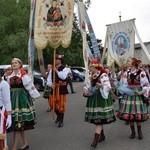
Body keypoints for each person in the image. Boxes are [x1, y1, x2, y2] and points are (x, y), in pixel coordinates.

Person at [7, 58, 40, 150]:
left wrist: (32, 99)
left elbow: (30, 89)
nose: (14, 64)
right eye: (12, 63)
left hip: (21, 101)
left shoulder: (24, 76)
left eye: (16, 63)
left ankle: (14, 147)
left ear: (20, 64)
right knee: (18, 124)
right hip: (12, 100)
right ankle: (25, 143)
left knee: (18, 124)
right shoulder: (9, 77)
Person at [83, 59, 116, 148]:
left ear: (95, 66)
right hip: (93, 98)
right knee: (98, 119)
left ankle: (95, 141)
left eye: (90, 66)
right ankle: (102, 135)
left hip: (101, 98)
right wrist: (86, 90)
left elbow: (108, 87)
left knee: (99, 119)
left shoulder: (103, 75)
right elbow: (87, 85)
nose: (89, 67)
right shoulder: (90, 75)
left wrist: (101, 86)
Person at [116, 57, 149, 140]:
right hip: (128, 94)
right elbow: (122, 84)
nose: (127, 62)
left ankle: (139, 131)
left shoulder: (141, 72)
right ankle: (133, 132)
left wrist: (142, 92)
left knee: (137, 114)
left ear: (134, 63)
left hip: (137, 94)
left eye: (129, 61)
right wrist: (119, 87)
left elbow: (145, 84)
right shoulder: (126, 72)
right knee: (129, 114)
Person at [47, 54, 70, 127]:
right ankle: (58, 116)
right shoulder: (51, 69)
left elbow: (63, 77)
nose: (56, 60)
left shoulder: (65, 69)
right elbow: (48, 80)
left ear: (60, 61)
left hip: (61, 88)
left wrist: (56, 71)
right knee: (52, 104)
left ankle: (61, 120)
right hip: (54, 88)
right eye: (55, 59)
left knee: (61, 105)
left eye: (58, 59)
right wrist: (51, 85)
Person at [0, 69, 12, 150]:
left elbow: (7, 101)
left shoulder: (4, 84)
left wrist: (9, 116)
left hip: (1, 112)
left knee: (1, 136)